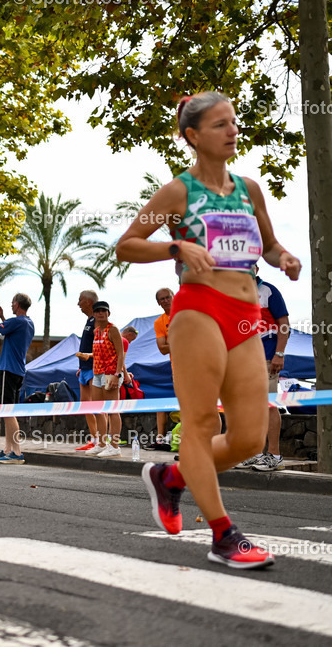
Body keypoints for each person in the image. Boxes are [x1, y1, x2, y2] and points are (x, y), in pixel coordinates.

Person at [116, 90, 301, 569]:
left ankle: (171, 478)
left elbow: (270, 244)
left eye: (234, 122)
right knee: (202, 425)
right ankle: (223, 535)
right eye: (220, 124)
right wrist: (176, 249)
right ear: (193, 136)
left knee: (247, 437)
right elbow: (129, 245)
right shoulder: (179, 192)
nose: (232, 131)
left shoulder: (249, 189)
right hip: (197, 309)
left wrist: (284, 259)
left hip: (245, 316)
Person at [237, 267, 290, 471]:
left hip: (267, 355)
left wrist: (280, 354)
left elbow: (284, 325)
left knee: (269, 404)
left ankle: (275, 455)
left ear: (256, 268)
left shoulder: (268, 291)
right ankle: (256, 453)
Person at [0, 294, 35, 463]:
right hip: (19, 371)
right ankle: (8, 449)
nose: (11, 304)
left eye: (12, 302)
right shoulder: (28, 323)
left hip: (8, 368)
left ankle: (17, 451)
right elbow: (11, 331)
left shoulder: (16, 322)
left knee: (7, 411)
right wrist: (2, 317)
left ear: (17, 304)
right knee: (9, 410)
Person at [83, 301, 126, 458]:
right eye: (98, 311)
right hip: (97, 373)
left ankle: (114, 446)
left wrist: (117, 374)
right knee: (99, 409)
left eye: (104, 311)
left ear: (108, 313)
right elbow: (100, 353)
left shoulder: (113, 329)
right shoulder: (96, 331)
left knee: (113, 410)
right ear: (93, 314)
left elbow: (121, 354)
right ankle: (101, 443)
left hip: (110, 373)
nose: (101, 313)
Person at [73, 291, 106, 451]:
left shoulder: (97, 321)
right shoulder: (89, 321)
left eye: (80, 300)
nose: (78, 304)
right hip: (85, 369)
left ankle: (103, 440)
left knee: (97, 406)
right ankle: (94, 439)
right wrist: (81, 366)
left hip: (95, 368)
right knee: (85, 405)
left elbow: (103, 345)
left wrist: (90, 358)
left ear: (88, 301)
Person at [150, 287, 176, 449]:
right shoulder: (159, 322)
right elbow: (162, 349)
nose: (165, 300)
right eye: (162, 299)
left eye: (168, 297)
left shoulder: (185, 313)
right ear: (158, 303)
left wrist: (170, 343)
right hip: (177, 369)